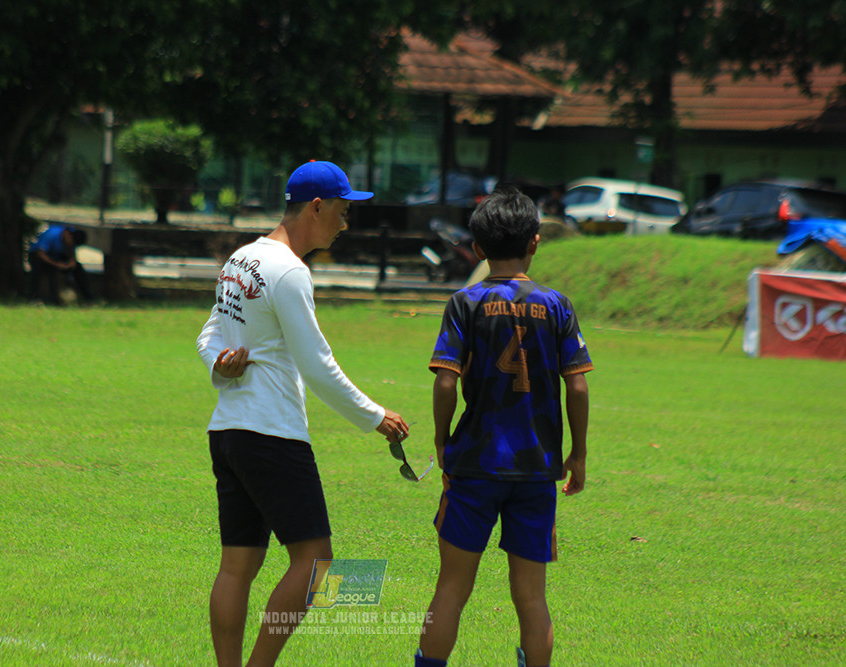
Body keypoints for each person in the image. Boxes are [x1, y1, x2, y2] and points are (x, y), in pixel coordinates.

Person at [196, 160, 409, 667]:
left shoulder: (240, 259)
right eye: (341, 210)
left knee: (237, 566)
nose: (345, 222)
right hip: (272, 434)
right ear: (316, 207)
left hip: (228, 432)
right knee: (317, 562)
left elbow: (208, 337)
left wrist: (219, 368)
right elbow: (317, 365)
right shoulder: (290, 270)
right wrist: (374, 415)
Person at [415, 187, 593, 667]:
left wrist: (440, 439)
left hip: (474, 463)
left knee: (451, 590)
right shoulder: (557, 305)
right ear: (535, 243)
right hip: (536, 469)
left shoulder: (465, 302)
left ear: (477, 249)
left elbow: (446, 382)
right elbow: (576, 387)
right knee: (531, 598)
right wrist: (577, 453)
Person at [27, 225, 92, 304]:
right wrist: (57, 264)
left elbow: (71, 250)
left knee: (78, 268)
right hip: (40, 256)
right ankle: (35, 297)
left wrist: (72, 261)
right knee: (40, 270)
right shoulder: (52, 235)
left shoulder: (72, 234)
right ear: (68, 235)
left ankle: (88, 298)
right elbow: (40, 253)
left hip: (57, 255)